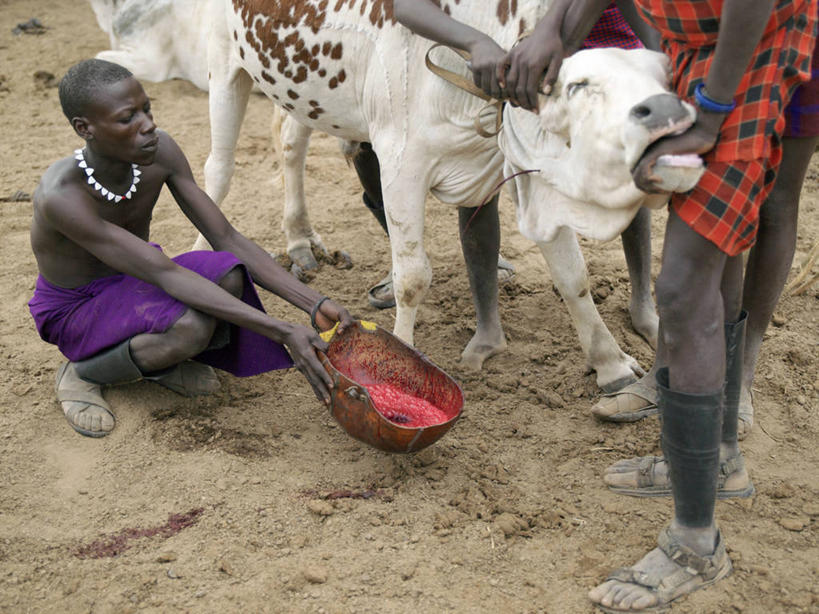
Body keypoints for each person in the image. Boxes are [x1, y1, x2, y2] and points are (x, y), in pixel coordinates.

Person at [528, 0, 814, 611]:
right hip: (697, 53)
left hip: (752, 47)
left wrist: (710, 113)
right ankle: (719, 459)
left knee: (683, 290)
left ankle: (694, 542)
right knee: (718, 254)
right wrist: (553, 28)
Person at [29, 59, 355, 438]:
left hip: (138, 279)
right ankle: (83, 372)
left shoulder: (160, 150)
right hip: (78, 308)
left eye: (147, 108)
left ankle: (156, 362)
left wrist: (313, 302)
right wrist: (283, 331)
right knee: (191, 327)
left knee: (229, 274)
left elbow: (227, 238)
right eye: (127, 118)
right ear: (85, 128)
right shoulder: (62, 196)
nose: (148, 124)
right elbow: (163, 273)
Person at [391, 0, 662, 347]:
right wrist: (481, 42)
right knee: (480, 175)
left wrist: (552, 29)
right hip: (507, 45)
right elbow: (407, 7)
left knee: (624, 162)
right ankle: (488, 323)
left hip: (591, 39)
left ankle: (642, 301)